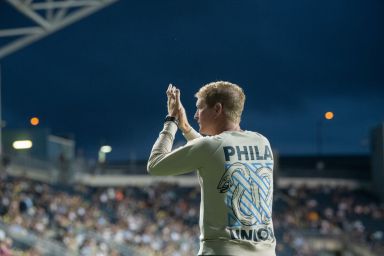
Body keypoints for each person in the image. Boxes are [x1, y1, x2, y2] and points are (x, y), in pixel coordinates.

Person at [147, 81, 276, 256]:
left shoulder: (210, 148)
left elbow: (155, 164)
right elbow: (215, 153)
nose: (195, 116)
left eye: (199, 108)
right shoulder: (262, 142)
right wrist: (185, 128)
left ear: (217, 109)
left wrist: (171, 120)